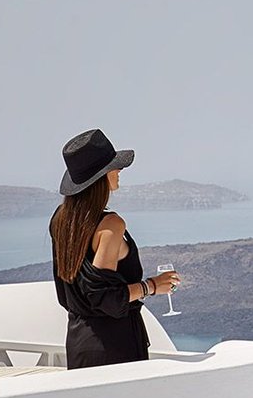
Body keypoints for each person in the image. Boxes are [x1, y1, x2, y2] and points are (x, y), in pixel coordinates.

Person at [49, 128, 179, 369]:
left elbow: (72, 293)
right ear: (99, 177)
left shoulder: (61, 220)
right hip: (115, 347)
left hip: (79, 341)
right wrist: (152, 286)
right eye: (114, 167)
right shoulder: (111, 225)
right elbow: (104, 298)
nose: (119, 171)